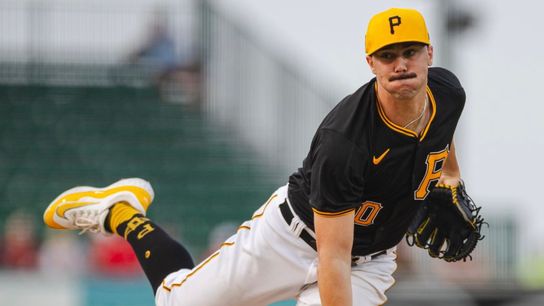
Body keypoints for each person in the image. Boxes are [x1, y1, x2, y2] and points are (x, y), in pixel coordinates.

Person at [43, 8, 468, 306]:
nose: (401, 65)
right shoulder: (348, 141)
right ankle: (123, 212)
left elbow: (440, 137)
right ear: (371, 63)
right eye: (389, 55)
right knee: (175, 301)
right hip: (293, 240)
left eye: (410, 51)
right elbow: (332, 256)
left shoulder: (447, 93)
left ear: (429, 53)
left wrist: (450, 182)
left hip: (370, 261)